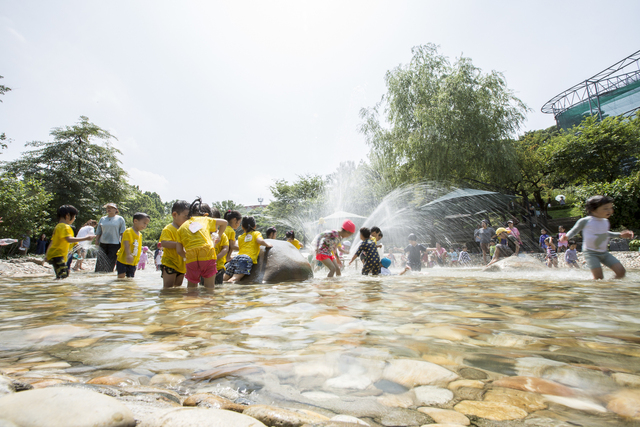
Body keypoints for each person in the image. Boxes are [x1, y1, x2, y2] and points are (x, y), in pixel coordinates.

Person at [560, 195, 634, 280]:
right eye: (605, 208)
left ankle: (610, 286)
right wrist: (567, 236)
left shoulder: (605, 221)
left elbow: (605, 233)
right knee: (599, 277)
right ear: (593, 210)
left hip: (604, 253)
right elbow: (574, 230)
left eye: (611, 208)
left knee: (621, 272)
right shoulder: (585, 221)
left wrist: (620, 235)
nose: (610, 210)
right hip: (591, 253)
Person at [176, 198, 228, 288]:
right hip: (207, 252)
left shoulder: (181, 227)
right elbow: (224, 222)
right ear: (206, 215)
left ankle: (191, 301)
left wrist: (187, 256)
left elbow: (179, 250)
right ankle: (208, 300)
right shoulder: (206, 220)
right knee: (209, 288)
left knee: (191, 287)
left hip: (191, 256)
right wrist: (219, 235)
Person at [46, 205, 95, 280]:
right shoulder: (65, 227)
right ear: (68, 215)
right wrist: (87, 238)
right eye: (74, 216)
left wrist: (47, 255)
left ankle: (55, 288)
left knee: (63, 274)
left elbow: (52, 241)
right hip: (58, 255)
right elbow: (69, 239)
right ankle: (56, 289)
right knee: (63, 276)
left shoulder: (58, 226)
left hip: (54, 255)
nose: (74, 219)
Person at [224, 216, 272, 283]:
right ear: (255, 226)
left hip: (236, 258)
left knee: (225, 277)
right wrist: (268, 244)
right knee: (235, 278)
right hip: (246, 259)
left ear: (242, 227)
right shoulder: (256, 233)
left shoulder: (240, 237)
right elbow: (259, 240)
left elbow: (241, 248)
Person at [160, 200, 190, 288]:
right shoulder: (168, 229)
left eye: (189, 218)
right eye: (186, 217)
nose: (188, 220)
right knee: (168, 287)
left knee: (178, 287)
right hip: (170, 263)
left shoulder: (186, 230)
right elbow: (164, 243)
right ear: (174, 215)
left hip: (182, 265)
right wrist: (179, 244)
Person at [116, 212, 150, 279]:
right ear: (135, 221)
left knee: (130, 278)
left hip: (133, 262)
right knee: (121, 277)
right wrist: (128, 254)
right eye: (144, 223)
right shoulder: (128, 231)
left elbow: (138, 247)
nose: (145, 226)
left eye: (146, 224)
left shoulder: (140, 234)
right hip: (123, 259)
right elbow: (126, 243)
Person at [95, 203, 126, 273]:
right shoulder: (102, 219)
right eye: (107, 208)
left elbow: (122, 233)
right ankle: (97, 275)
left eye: (111, 208)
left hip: (114, 243)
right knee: (100, 262)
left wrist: (123, 244)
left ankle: (107, 275)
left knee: (110, 261)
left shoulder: (120, 219)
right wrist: (97, 241)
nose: (109, 209)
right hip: (103, 243)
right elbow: (99, 231)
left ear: (116, 209)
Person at [211, 207, 230, 285]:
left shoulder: (222, 235)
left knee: (218, 286)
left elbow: (225, 248)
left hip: (218, 267)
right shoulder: (204, 235)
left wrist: (217, 257)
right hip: (205, 267)